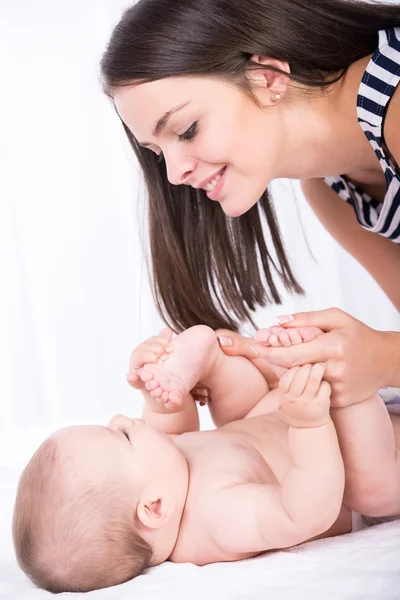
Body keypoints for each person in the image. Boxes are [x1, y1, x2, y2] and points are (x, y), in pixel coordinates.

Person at [100, 0, 400, 407]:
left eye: (187, 130)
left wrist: (381, 358)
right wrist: (288, 369)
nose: (173, 174)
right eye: (157, 152)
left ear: (268, 77)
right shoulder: (331, 192)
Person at [13, 325, 400, 593]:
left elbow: (172, 425)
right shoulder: (217, 518)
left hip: (278, 419)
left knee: (241, 412)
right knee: (372, 488)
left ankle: (208, 359)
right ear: (154, 508)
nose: (121, 418)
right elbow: (305, 510)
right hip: (353, 473)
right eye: (122, 435)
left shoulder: (163, 475)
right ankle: (341, 381)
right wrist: (310, 425)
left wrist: (162, 389)